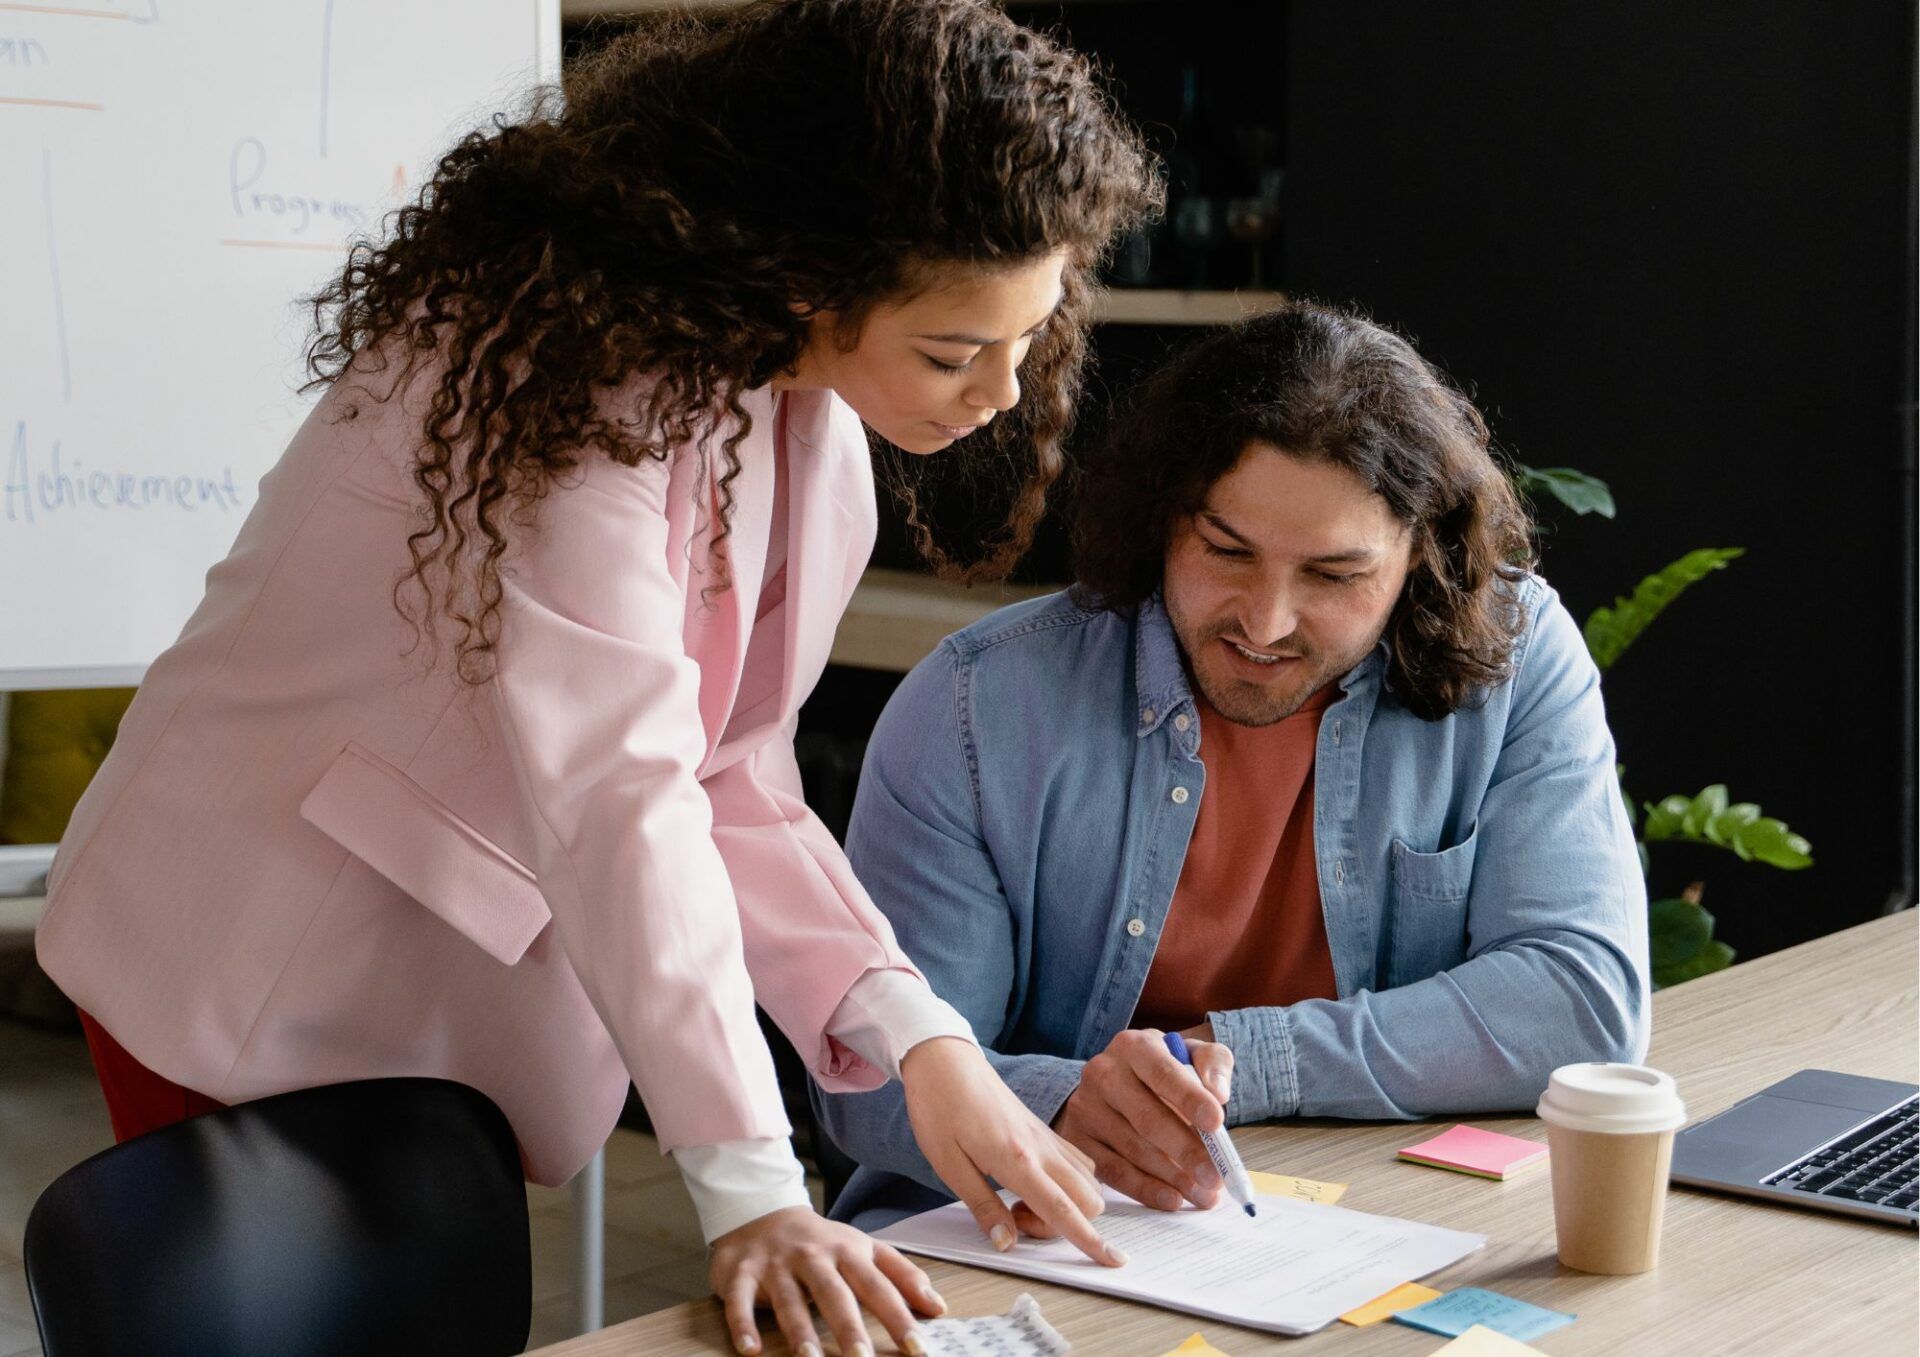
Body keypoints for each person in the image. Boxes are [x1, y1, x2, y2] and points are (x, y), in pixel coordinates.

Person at [34, 3, 1157, 1353]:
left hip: (436, 991)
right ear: (809, 272)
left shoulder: (806, 422)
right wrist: (748, 1182)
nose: (996, 393)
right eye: (952, 349)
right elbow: (622, 783)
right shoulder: (564, 386)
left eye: (1027, 340)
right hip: (260, 953)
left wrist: (922, 1040)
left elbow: (728, 773)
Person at [814, 300, 1650, 1231]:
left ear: (1421, 556)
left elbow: (1580, 1001)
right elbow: (866, 1084)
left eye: (1334, 576)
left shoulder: (1515, 656)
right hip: (1014, 1235)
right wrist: (1069, 1100)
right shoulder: (974, 709)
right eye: (1225, 551)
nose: (1265, 622)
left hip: (1349, 1220)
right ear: (1163, 515)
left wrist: (1226, 1057)